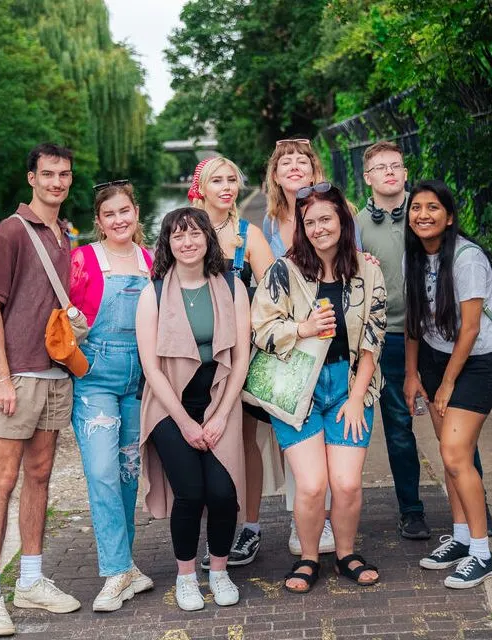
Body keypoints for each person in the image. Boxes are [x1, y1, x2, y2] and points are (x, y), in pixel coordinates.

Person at [0, 142, 88, 636]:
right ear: (31, 179)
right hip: (16, 375)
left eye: (64, 175)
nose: (57, 182)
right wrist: (1, 377)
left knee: (39, 476)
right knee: (2, 480)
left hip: (56, 373)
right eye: (48, 174)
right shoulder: (11, 231)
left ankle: (32, 581)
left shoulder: (67, 233)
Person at [251, 182, 388, 593]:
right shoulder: (284, 271)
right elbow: (261, 329)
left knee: (346, 483)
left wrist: (357, 397)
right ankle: (309, 557)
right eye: (310, 222)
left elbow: (373, 339)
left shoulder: (368, 269)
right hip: (299, 390)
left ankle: (346, 553)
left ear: (343, 221)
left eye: (326, 219)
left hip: (349, 383)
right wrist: (303, 328)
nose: (318, 228)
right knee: (312, 485)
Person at [359, 141, 492, 539]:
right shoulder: (357, 224)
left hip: (448, 346)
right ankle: (412, 511)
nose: (389, 172)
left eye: (396, 166)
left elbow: (469, 325)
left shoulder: (429, 219)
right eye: (380, 167)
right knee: (400, 427)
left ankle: (478, 510)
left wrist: (449, 376)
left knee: (457, 432)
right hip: (393, 337)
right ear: (367, 177)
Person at [136, 207, 251, 611]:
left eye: (195, 234)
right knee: (191, 492)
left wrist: (219, 416)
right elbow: (151, 367)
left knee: (222, 493)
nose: (187, 242)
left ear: (208, 239)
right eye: (178, 236)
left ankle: (218, 571)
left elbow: (241, 358)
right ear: (167, 244)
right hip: (170, 407)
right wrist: (185, 423)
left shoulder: (232, 287)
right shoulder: (152, 293)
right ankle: (186, 577)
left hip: (220, 398)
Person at [402, 180, 492, 589]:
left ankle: (482, 553)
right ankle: (461, 539)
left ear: (449, 217)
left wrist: (446, 384)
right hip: (433, 357)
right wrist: (412, 374)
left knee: (456, 453)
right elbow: (414, 321)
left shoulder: (467, 258)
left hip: (475, 361)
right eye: (416, 208)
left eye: (432, 208)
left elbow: (471, 329)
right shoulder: (415, 256)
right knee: (449, 457)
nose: (422, 215)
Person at [188, 157, 279, 568]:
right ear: (200, 188)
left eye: (232, 181)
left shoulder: (248, 235)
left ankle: (251, 529)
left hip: (241, 356)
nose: (227, 188)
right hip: (195, 361)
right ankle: (216, 531)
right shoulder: (185, 231)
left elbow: (276, 294)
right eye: (217, 181)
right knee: (203, 446)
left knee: (243, 443)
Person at [67, 181, 154, 611]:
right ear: (98, 223)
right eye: (109, 214)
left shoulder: (151, 259)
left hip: (139, 381)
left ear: (136, 213)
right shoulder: (81, 260)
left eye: (125, 211)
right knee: (101, 471)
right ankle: (115, 571)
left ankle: (128, 568)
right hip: (95, 377)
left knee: (126, 474)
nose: (119, 220)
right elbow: (55, 309)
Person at [261, 138, 337, 556]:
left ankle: (326, 520)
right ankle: (301, 519)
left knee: (329, 436)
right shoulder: (272, 223)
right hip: (291, 338)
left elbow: (352, 258)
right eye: (285, 161)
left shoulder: (335, 208)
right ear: (275, 175)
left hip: (327, 332)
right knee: (294, 429)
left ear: (314, 169)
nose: (293, 167)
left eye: (301, 160)